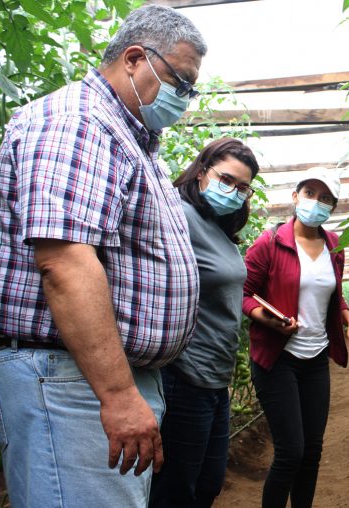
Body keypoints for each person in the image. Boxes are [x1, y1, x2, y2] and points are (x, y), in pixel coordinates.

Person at [0, 6, 206, 507]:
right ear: (134, 59)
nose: (184, 100)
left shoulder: (127, 135)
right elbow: (64, 261)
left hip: (85, 379)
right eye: (180, 83)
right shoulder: (78, 122)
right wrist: (119, 395)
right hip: (67, 380)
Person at [242, 166, 349, 508]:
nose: (317, 202)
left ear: (333, 207)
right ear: (295, 196)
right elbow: (245, 293)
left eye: (325, 198)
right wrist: (267, 320)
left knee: (312, 451)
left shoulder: (334, 245)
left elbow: (334, 294)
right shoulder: (270, 243)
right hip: (277, 359)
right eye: (310, 194)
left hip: (315, 359)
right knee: (290, 452)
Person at [149, 138, 259, 507]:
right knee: (177, 490)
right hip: (183, 376)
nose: (234, 192)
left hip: (214, 378)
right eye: (226, 180)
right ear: (201, 172)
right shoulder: (177, 215)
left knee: (208, 484)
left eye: (243, 188)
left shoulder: (221, 231)